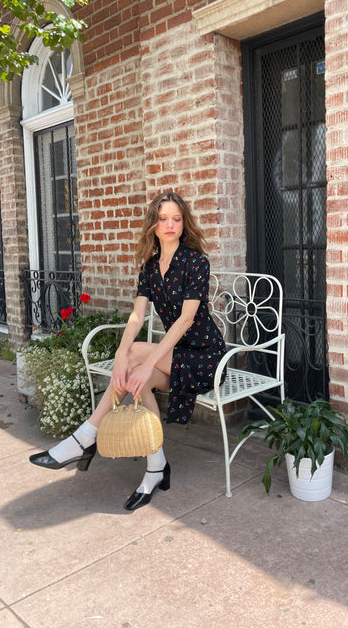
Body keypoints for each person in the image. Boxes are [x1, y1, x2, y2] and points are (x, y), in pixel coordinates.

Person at [29, 191, 227, 511]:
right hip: (174, 355)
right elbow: (137, 315)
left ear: (184, 222)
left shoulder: (195, 262)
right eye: (163, 218)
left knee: (138, 362)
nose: (170, 224)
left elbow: (185, 320)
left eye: (177, 218)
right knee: (136, 374)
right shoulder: (150, 266)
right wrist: (123, 355)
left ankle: (85, 438)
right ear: (153, 223)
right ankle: (155, 468)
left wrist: (147, 361)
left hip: (205, 357)